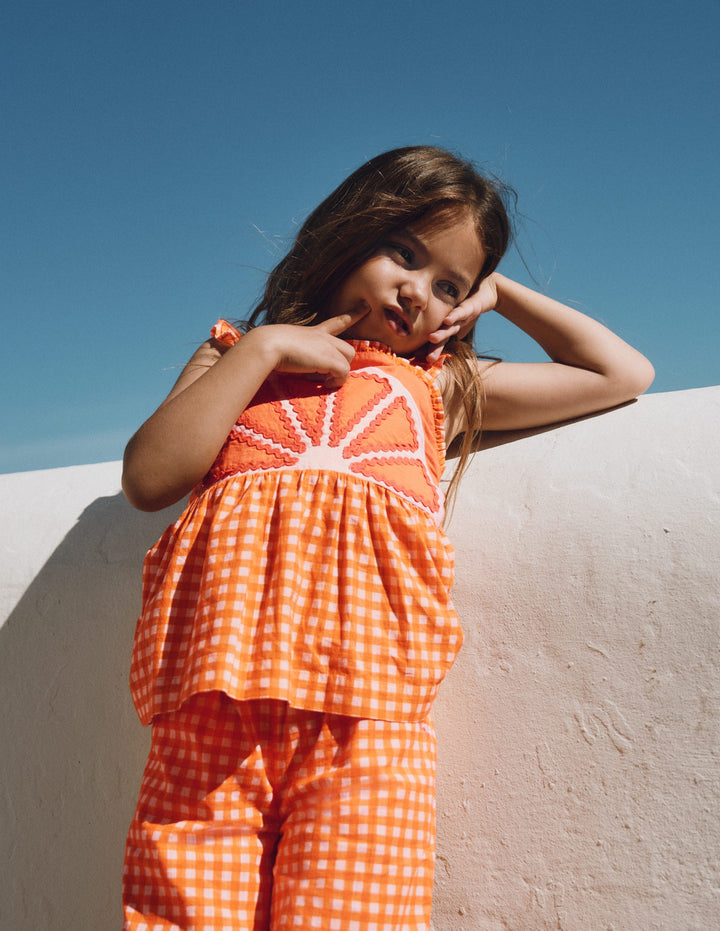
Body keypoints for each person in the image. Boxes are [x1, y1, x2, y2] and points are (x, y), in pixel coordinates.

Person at [121, 145, 654, 930]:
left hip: (368, 725)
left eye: (449, 285)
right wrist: (266, 347)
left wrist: (501, 297)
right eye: (403, 254)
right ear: (348, 230)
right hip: (212, 714)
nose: (418, 291)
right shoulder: (235, 358)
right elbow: (149, 477)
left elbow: (621, 373)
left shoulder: (438, 390)